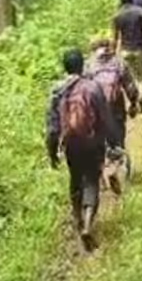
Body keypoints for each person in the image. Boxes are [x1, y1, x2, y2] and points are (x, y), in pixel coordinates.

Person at [45, 49, 114, 251]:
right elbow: (105, 117)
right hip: (93, 142)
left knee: (75, 178)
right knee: (91, 179)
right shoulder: (92, 87)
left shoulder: (57, 90)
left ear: (65, 67)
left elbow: (52, 126)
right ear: (82, 66)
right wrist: (113, 142)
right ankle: (87, 224)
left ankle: (77, 218)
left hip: (70, 144)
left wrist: (52, 152)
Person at [86, 38, 142, 194]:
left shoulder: (89, 65)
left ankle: (101, 176)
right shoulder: (118, 63)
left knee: (98, 142)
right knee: (118, 141)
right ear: (109, 48)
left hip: (95, 110)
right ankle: (116, 169)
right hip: (115, 108)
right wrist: (133, 103)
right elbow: (130, 87)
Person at [112, 0, 142, 100]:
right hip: (140, 48)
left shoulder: (117, 15)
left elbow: (115, 37)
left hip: (125, 50)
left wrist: (113, 52)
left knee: (130, 77)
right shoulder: (141, 12)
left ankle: (134, 99)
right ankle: (141, 98)